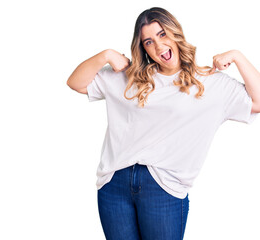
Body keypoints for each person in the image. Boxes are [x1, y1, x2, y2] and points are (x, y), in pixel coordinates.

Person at [67, 7, 260, 240]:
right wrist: (106, 55)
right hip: (114, 184)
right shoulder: (129, 76)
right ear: (143, 48)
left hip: (164, 187)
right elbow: (76, 83)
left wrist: (238, 56)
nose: (158, 46)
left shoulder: (208, 82)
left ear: (175, 33)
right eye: (148, 42)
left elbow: (257, 102)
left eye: (162, 34)